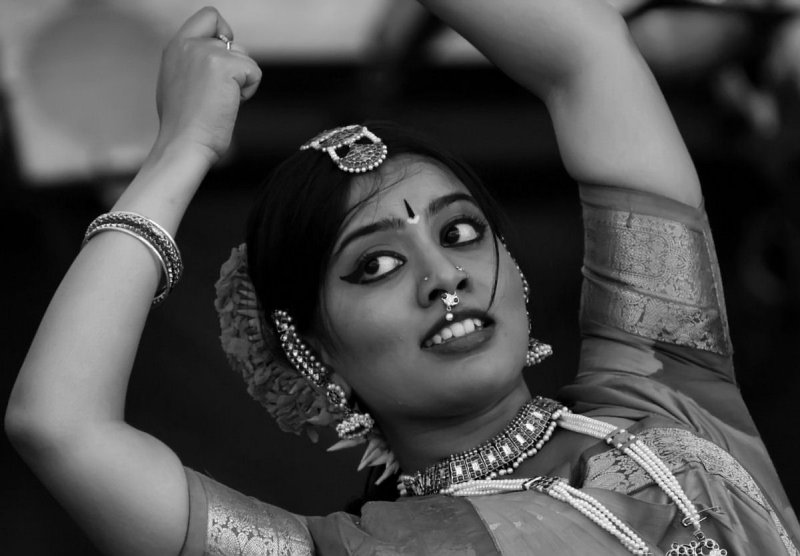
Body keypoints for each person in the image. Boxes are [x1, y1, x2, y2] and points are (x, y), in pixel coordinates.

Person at [5, 1, 799, 554]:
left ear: (518, 275)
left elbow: (586, 58)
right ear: (310, 354)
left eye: (461, 232)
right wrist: (181, 151)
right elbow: (59, 426)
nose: (443, 275)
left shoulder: (669, 381)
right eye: (374, 264)